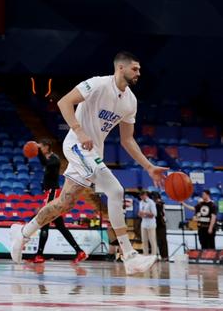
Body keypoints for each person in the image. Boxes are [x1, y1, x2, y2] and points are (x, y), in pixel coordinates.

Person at [10, 52, 167, 275]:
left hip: (93, 153)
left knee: (65, 203)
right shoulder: (97, 84)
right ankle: (129, 255)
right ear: (120, 68)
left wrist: (149, 166)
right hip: (76, 145)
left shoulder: (130, 101)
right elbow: (65, 102)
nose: (139, 73)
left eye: (139, 69)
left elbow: (127, 139)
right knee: (115, 190)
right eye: (135, 68)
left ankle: (22, 233)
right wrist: (79, 131)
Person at [29, 140, 85, 264]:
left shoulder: (54, 159)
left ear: (47, 146)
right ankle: (79, 251)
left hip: (52, 193)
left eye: (42, 147)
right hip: (49, 192)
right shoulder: (51, 158)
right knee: (60, 227)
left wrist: (36, 150)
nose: (41, 149)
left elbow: (45, 163)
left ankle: (39, 255)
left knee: (44, 222)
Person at [138, 189, 157, 257]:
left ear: (145, 195)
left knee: (152, 240)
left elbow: (154, 214)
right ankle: (145, 255)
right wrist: (140, 214)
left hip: (151, 224)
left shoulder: (151, 202)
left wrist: (145, 213)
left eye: (142, 196)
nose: (141, 197)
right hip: (144, 224)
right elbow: (140, 212)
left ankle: (153, 255)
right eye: (140, 196)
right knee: (144, 240)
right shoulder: (141, 202)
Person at [151, 191, 168, 260]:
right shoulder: (150, 204)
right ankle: (154, 255)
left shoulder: (161, 204)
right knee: (153, 240)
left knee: (162, 240)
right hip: (152, 224)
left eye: (156, 198)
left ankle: (164, 256)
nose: (155, 199)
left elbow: (162, 213)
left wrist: (158, 203)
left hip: (161, 224)